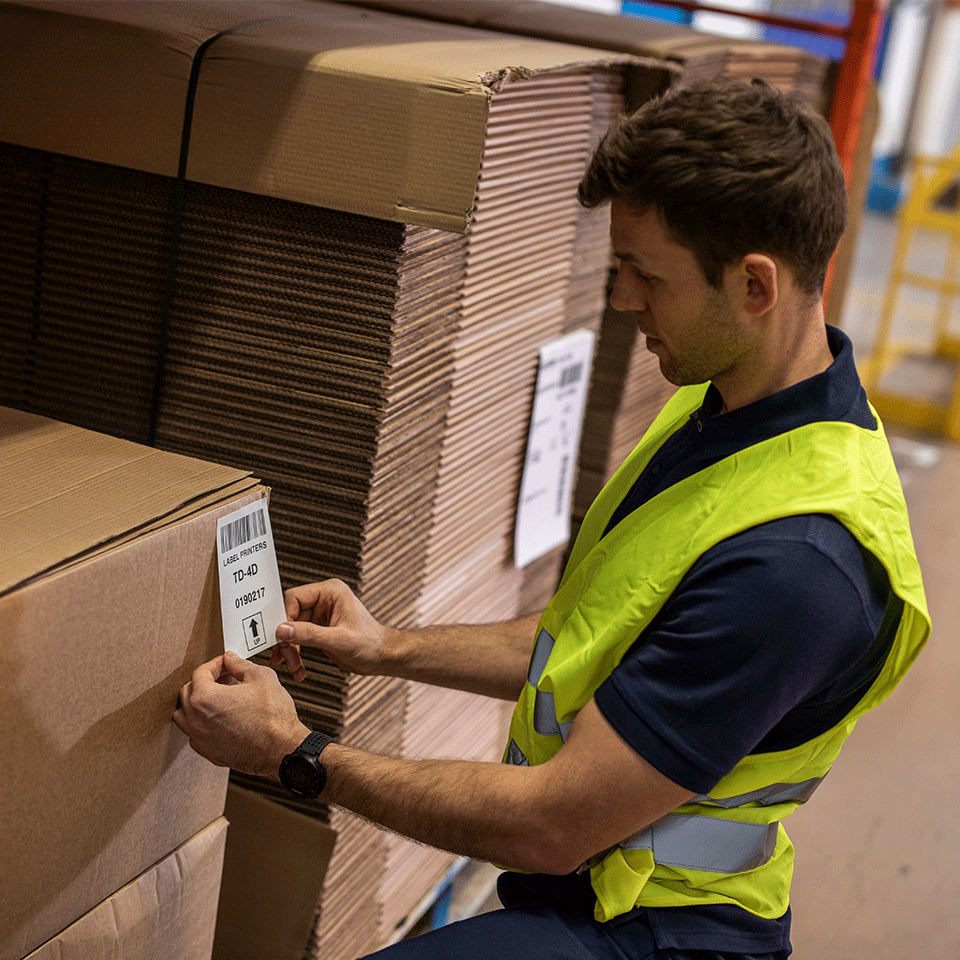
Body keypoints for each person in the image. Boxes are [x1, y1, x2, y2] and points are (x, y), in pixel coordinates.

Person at [174, 77, 930, 959]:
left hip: (660, 927)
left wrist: (295, 754)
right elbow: (599, 635)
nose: (621, 301)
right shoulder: (729, 411)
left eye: (646, 274)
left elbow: (551, 827)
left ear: (755, 284)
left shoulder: (800, 565)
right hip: (593, 885)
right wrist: (390, 648)